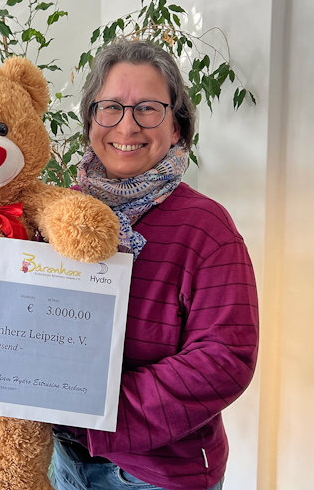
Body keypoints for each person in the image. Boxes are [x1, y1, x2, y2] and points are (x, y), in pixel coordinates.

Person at [52, 39, 259, 490]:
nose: (127, 126)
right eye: (110, 107)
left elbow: (224, 358)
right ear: (90, 120)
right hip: (62, 459)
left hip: (157, 475)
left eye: (148, 109)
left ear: (177, 127)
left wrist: (99, 412)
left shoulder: (208, 228)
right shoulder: (59, 214)